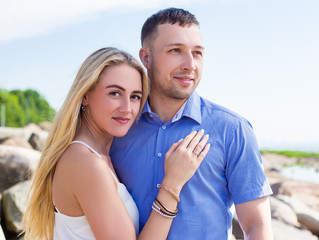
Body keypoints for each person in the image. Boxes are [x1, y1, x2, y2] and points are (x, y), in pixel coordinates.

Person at [110, 8, 273, 240]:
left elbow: (257, 226)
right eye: (176, 51)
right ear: (146, 57)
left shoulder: (233, 130)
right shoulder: (120, 128)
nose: (190, 64)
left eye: (197, 53)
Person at [22, 47, 210, 240]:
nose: (127, 108)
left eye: (135, 96)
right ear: (85, 95)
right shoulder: (86, 163)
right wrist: (173, 183)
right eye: (114, 93)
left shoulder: (98, 156)